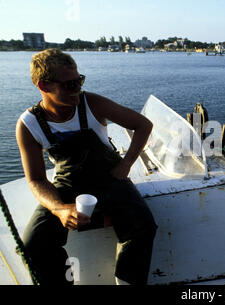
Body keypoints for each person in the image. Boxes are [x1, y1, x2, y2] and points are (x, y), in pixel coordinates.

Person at [16, 48, 157, 285]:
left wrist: (126, 164)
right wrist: (60, 209)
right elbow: (36, 180)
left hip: (109, 177)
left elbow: (142, 125)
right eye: (69, 85)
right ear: (44, 86)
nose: (77, 90)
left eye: (79, 81)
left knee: (143, 226)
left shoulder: (92, 104)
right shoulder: (29, 124)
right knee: (33, 245)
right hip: (67, 183)